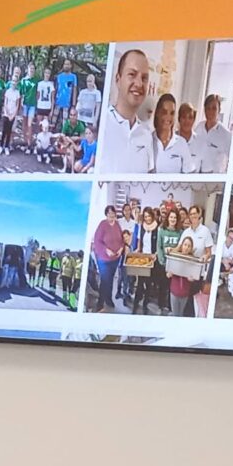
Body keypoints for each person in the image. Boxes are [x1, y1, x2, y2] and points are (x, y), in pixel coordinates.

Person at [93, 46, 156, 175]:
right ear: (118, 79)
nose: (139, 84)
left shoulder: (146, 135)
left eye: (144, 78)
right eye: (132, 75)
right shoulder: (102, 124)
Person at [89, 204, 125, 314]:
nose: (111, 215)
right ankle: (100, 304)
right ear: (106, 214)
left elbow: (122, 239)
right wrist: (106, 250)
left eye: (113, 213)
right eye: (109, 213)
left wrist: (121, 248)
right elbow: (97, 241)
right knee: (105, 281)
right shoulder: (102, 225)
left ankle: (108, 300)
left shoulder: (117, 224)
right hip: (104, 259)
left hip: (115, 258)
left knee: (110, 280)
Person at [189, 91, 233, 175]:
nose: (210, 111)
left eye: (214, 108)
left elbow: (232, 160)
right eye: (208, 108)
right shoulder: (199, 127)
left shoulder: (225, 134)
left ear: (219, 110)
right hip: (198, 175)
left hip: (215, 178)